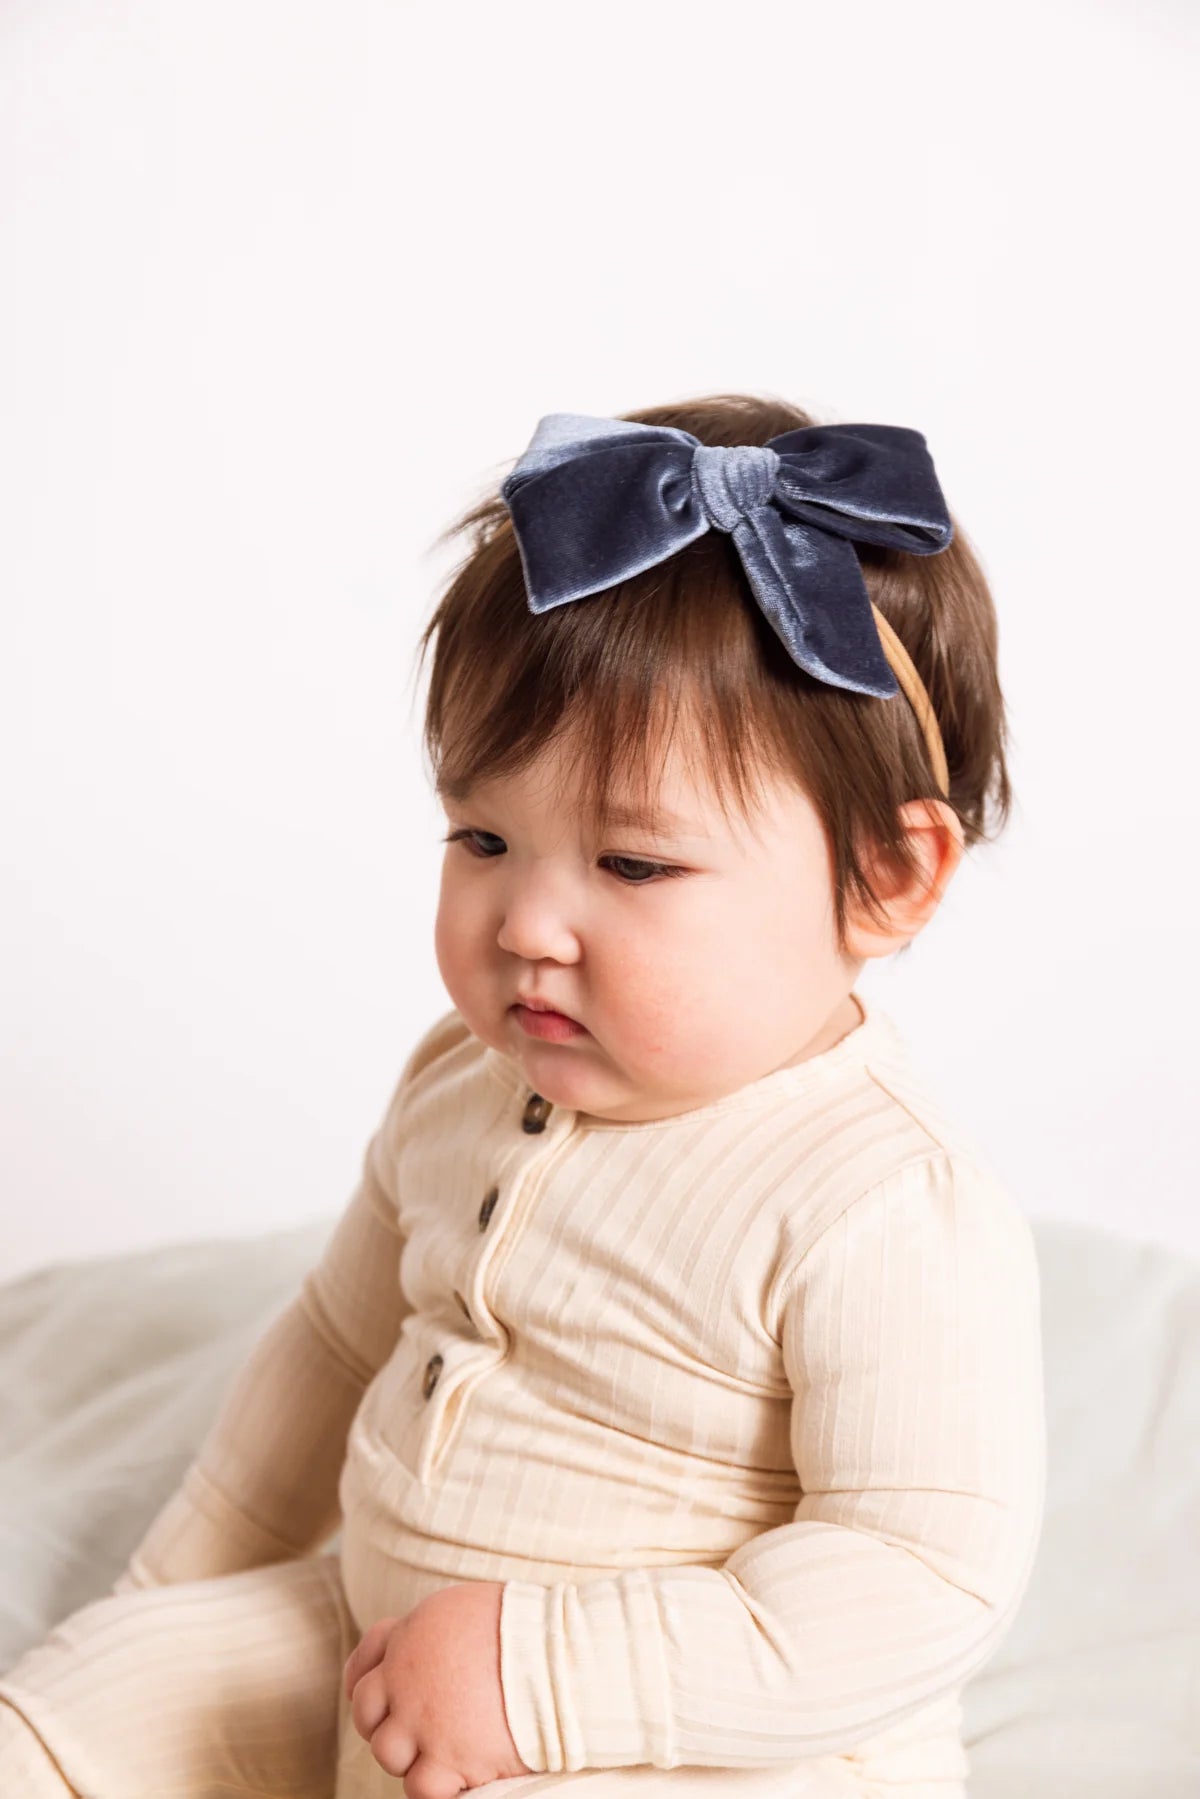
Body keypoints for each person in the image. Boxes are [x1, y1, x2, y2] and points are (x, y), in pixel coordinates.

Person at [0, 392, 1045, 1799]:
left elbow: (917, 1575)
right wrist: (165, 1595)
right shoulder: (459, 1076)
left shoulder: (882, 1200)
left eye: (632, 866)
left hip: (692, 1738)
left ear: (887, 878)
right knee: (73, 1707)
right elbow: (330, 1343)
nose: (528, 924)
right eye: (483, 835)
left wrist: (544, 1678)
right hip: (373, 1640)